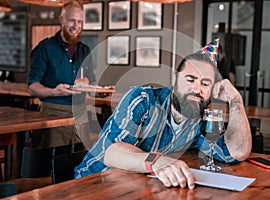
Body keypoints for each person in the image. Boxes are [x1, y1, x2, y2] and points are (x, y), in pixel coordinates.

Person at [75, 40, 251, 190]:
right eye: (190, 80)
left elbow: (236, 153)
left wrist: (236, 101)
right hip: (91, 184)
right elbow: (111, 152)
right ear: (174, 80)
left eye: (205, 84)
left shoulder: (199, 121)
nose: (197, 89)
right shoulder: (142, 100)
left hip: (134, 187)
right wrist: (157, 162)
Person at [28, 1, 95, 148]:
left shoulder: (84, 50)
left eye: (80, 22)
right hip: (53, 112)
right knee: (52, 163)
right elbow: (33, 87)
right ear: (61, 20)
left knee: (79, 162)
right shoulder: (44, 48)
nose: (76, 26)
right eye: (72, 20)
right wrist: (53, 91)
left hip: (80, 113)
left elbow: (92, 81)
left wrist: (87, 81)